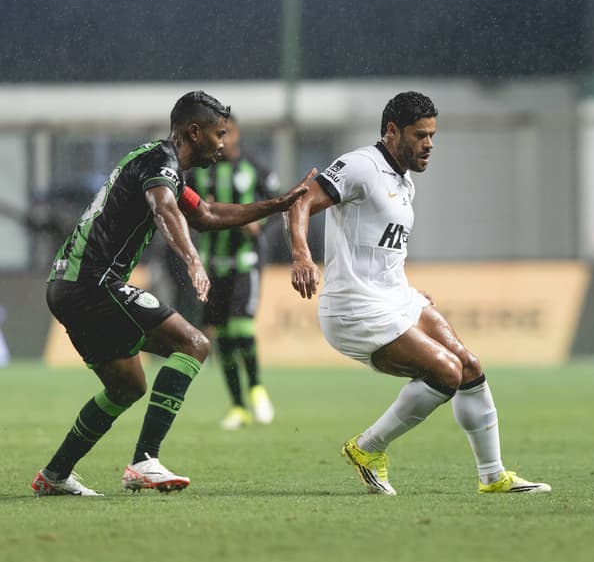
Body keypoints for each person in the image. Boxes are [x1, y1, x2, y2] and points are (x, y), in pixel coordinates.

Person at [32, 91, 311, 496]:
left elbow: (208, 214)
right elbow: (164, 208)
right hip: (92, 284)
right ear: (193, 132)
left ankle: (55, 475)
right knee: (193, 343)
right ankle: (145, 460)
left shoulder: (161, 166)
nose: (222, 143)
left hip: (66, 287)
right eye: (218, 134)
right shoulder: (160, 164)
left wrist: (278, 204)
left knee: (126, 387)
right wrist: (193, 261)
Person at [286, 91, 551, 496]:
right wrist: (303, 256)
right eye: (420, 135)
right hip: (354, 308)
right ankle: (367, 448)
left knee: (470, 367)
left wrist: (403, 285)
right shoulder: (361, 166)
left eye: (432, 135)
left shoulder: (403, 180)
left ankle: (493, 476)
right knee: (445, 372)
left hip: (394, 297)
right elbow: (301, 201)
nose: (429, 144)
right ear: (392, 131)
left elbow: (379, 246)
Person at [187, 115, 278, 430]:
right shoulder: (202, 171)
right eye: (218, 132)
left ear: (238, 133)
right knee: (222, 335)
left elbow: (277, 205)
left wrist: (260, 222)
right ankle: (238, 406)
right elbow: (185, 207)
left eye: (228, 132)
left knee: (241, 329)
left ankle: (256, 389)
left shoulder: (255, 168)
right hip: (213, 264)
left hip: (245, 262)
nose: (223, 138)